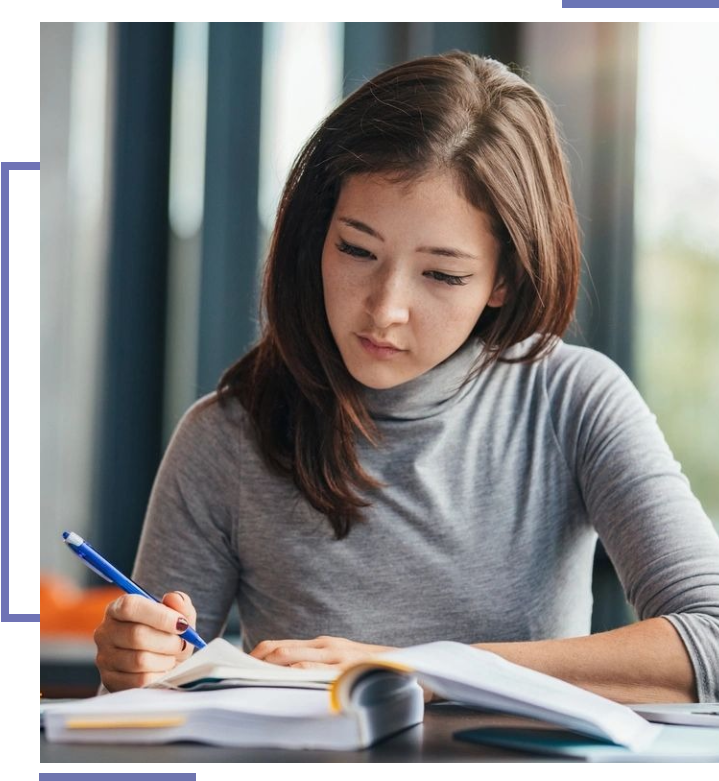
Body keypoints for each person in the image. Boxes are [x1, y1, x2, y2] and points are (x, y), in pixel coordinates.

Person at [93, 50, 719, 701]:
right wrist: (134, 665)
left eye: (441, 274)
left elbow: (712, 637)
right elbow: (150, 703)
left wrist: (419, 668)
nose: (385, 309)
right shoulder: (227, 436)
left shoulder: (571, 401)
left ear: (504, 278)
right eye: (356, 249)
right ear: (315, 236)